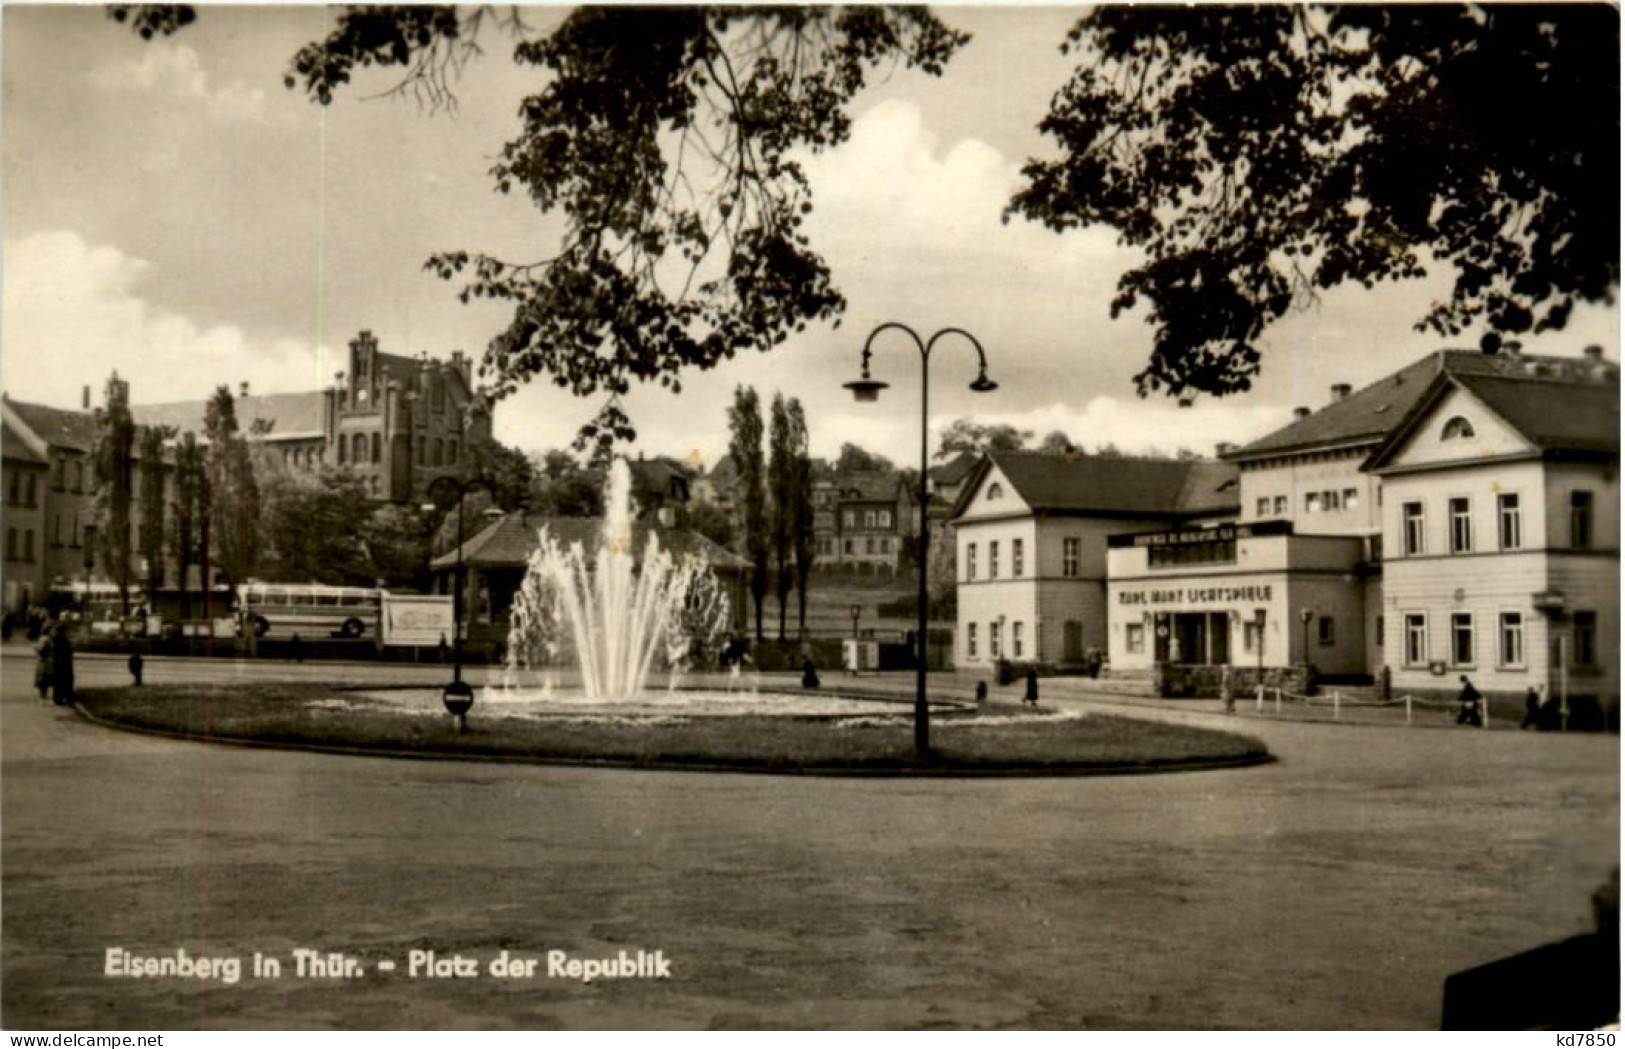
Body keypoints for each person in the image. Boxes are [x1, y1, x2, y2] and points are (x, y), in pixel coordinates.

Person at [50, 623, 75, 706]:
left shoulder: (56, 639)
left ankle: (58, 698)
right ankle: (67, 699)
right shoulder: (62, 639)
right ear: (64, 631)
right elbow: (68, 651)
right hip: (64, 663)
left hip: (58, 663)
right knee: (66, 681)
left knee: (58, 681)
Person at [33, 628, 53, 701]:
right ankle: (43, 695)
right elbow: (42, 649)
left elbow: (38, 648)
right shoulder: (46, 639)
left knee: (43, 678)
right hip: (45, 661)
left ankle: (43, 694)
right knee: (44, 678)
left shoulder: (42, 638)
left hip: (42, 661)